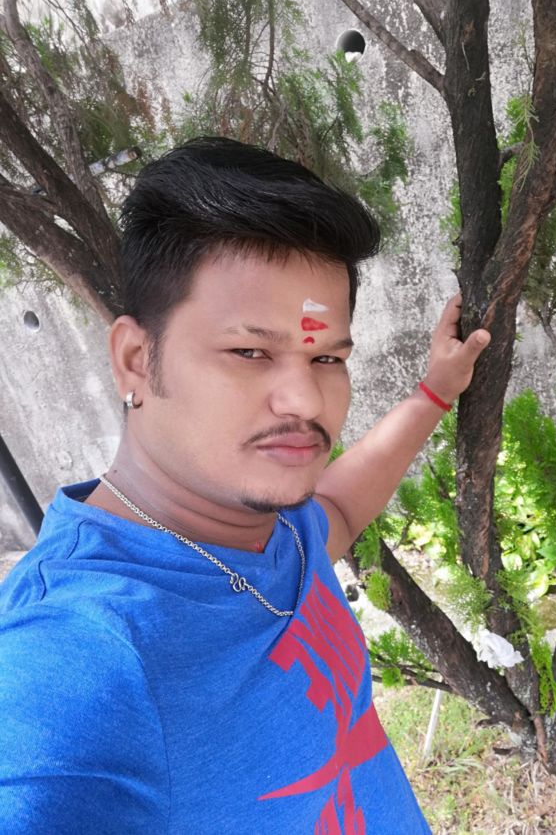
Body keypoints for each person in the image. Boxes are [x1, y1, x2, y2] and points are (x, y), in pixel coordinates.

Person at [0, 137, 489, 834]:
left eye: (326, 358)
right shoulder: (83, 654)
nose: (305, 399)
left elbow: (339, 507)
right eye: (250, 351)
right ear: (136, 360)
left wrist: (435, 392)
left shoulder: (263, 526)